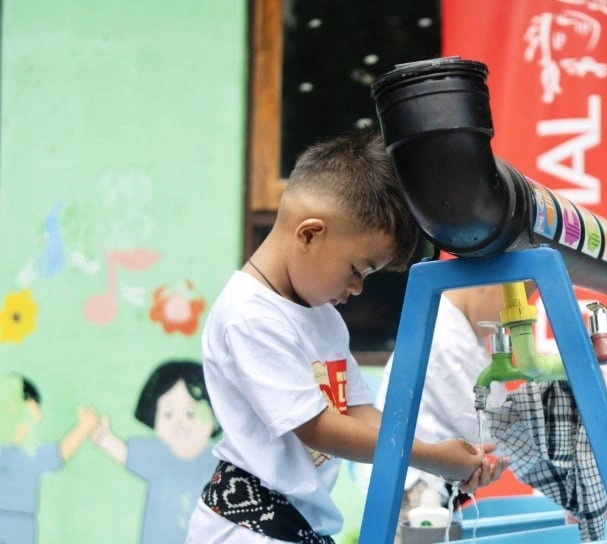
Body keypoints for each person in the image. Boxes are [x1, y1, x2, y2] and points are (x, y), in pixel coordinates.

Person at [183, 130, 508, 544]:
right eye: (357, 270)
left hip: (295, 525)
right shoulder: (248, 316)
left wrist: (439, 454)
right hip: (248, 528)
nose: (356, 290)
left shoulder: (322, 315)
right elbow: (319, 428)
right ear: (309, 234)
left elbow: (358, 411)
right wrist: (429, 455)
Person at [373, 284, 513, 538]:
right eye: (513, 300)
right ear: (490, 284)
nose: (511, 317)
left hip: (428, 482)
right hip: (417, 491)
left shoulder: (453, 328)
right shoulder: (449, 339)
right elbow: (490, 426)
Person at [91, 359, 220, 544]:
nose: (180, 423)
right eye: (167, 413)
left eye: (191, 412)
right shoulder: (157, 455)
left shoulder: (217, 460)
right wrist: (103, 437)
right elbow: (125, 453)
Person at [0, 373, 99, 544]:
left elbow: (60, 452)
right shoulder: (28, 455)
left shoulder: (30, 454)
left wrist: (83, 428)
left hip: (21, 524)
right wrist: (83, 428)